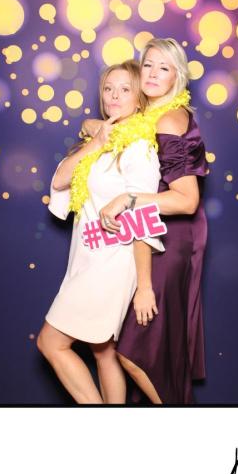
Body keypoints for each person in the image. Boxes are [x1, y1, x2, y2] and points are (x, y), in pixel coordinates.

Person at [37, 60, 163, 404]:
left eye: (124, 89)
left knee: (50, 342)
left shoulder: (139, 147)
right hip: (87, 255)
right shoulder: (102, 138)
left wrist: (144, 286)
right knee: (103, 350)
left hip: (113, 261)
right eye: (108, 88)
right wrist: (96, 141)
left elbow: (143, 214)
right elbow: (60, 180)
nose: (114, 96)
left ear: (139, 98)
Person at [89, 38, 206, 404]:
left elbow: (187, 200)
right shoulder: (146, 118)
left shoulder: (168, 121)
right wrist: (94, 126)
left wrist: (128, 198)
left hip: (169, 238)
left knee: (136, 351)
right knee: (138, 348)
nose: (153, 74)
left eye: (164, 68)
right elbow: (103, 126)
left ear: (177, 77)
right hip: (148, 234)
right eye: (148, 65)